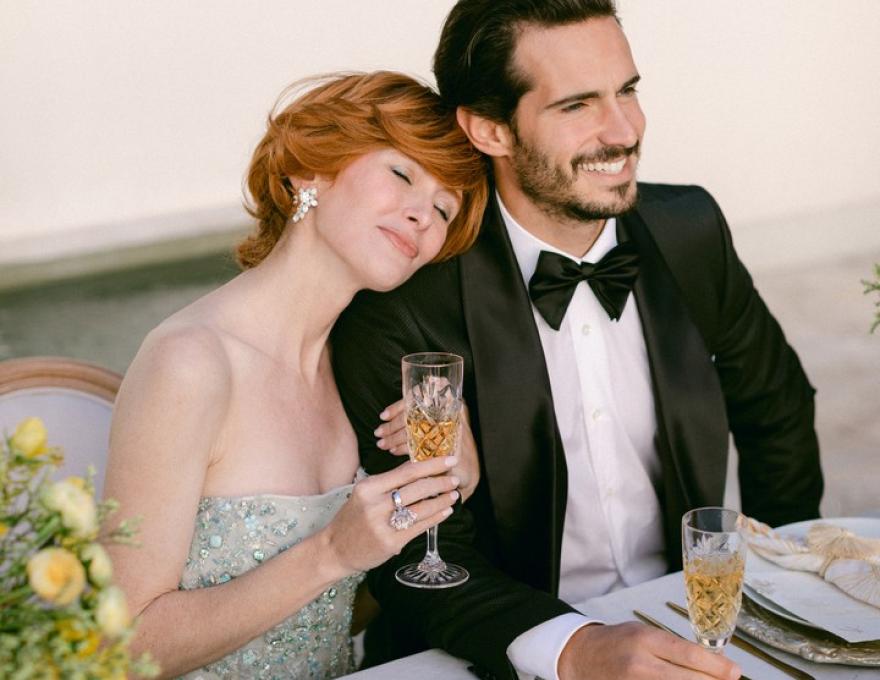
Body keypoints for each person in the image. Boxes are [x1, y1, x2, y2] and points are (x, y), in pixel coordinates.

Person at [331, 2, 823, 679]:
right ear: (491, 130)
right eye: (577, 106)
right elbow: (419, 556)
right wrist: (573, 646)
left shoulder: (691, 228)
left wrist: (780, 592)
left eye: (627, 91)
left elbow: (777, 409)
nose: (624, 130)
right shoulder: (407, 298)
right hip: (490, 652)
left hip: (685, 625)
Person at [103, 71, 488, 679]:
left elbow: (323, 621)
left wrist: (448, 489)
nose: (422, 215)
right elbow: (117, 650)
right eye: (401, 174)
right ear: (311, 170)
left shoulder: (360, 371)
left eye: (444, 209)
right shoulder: (191, 363)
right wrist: (332, 551)